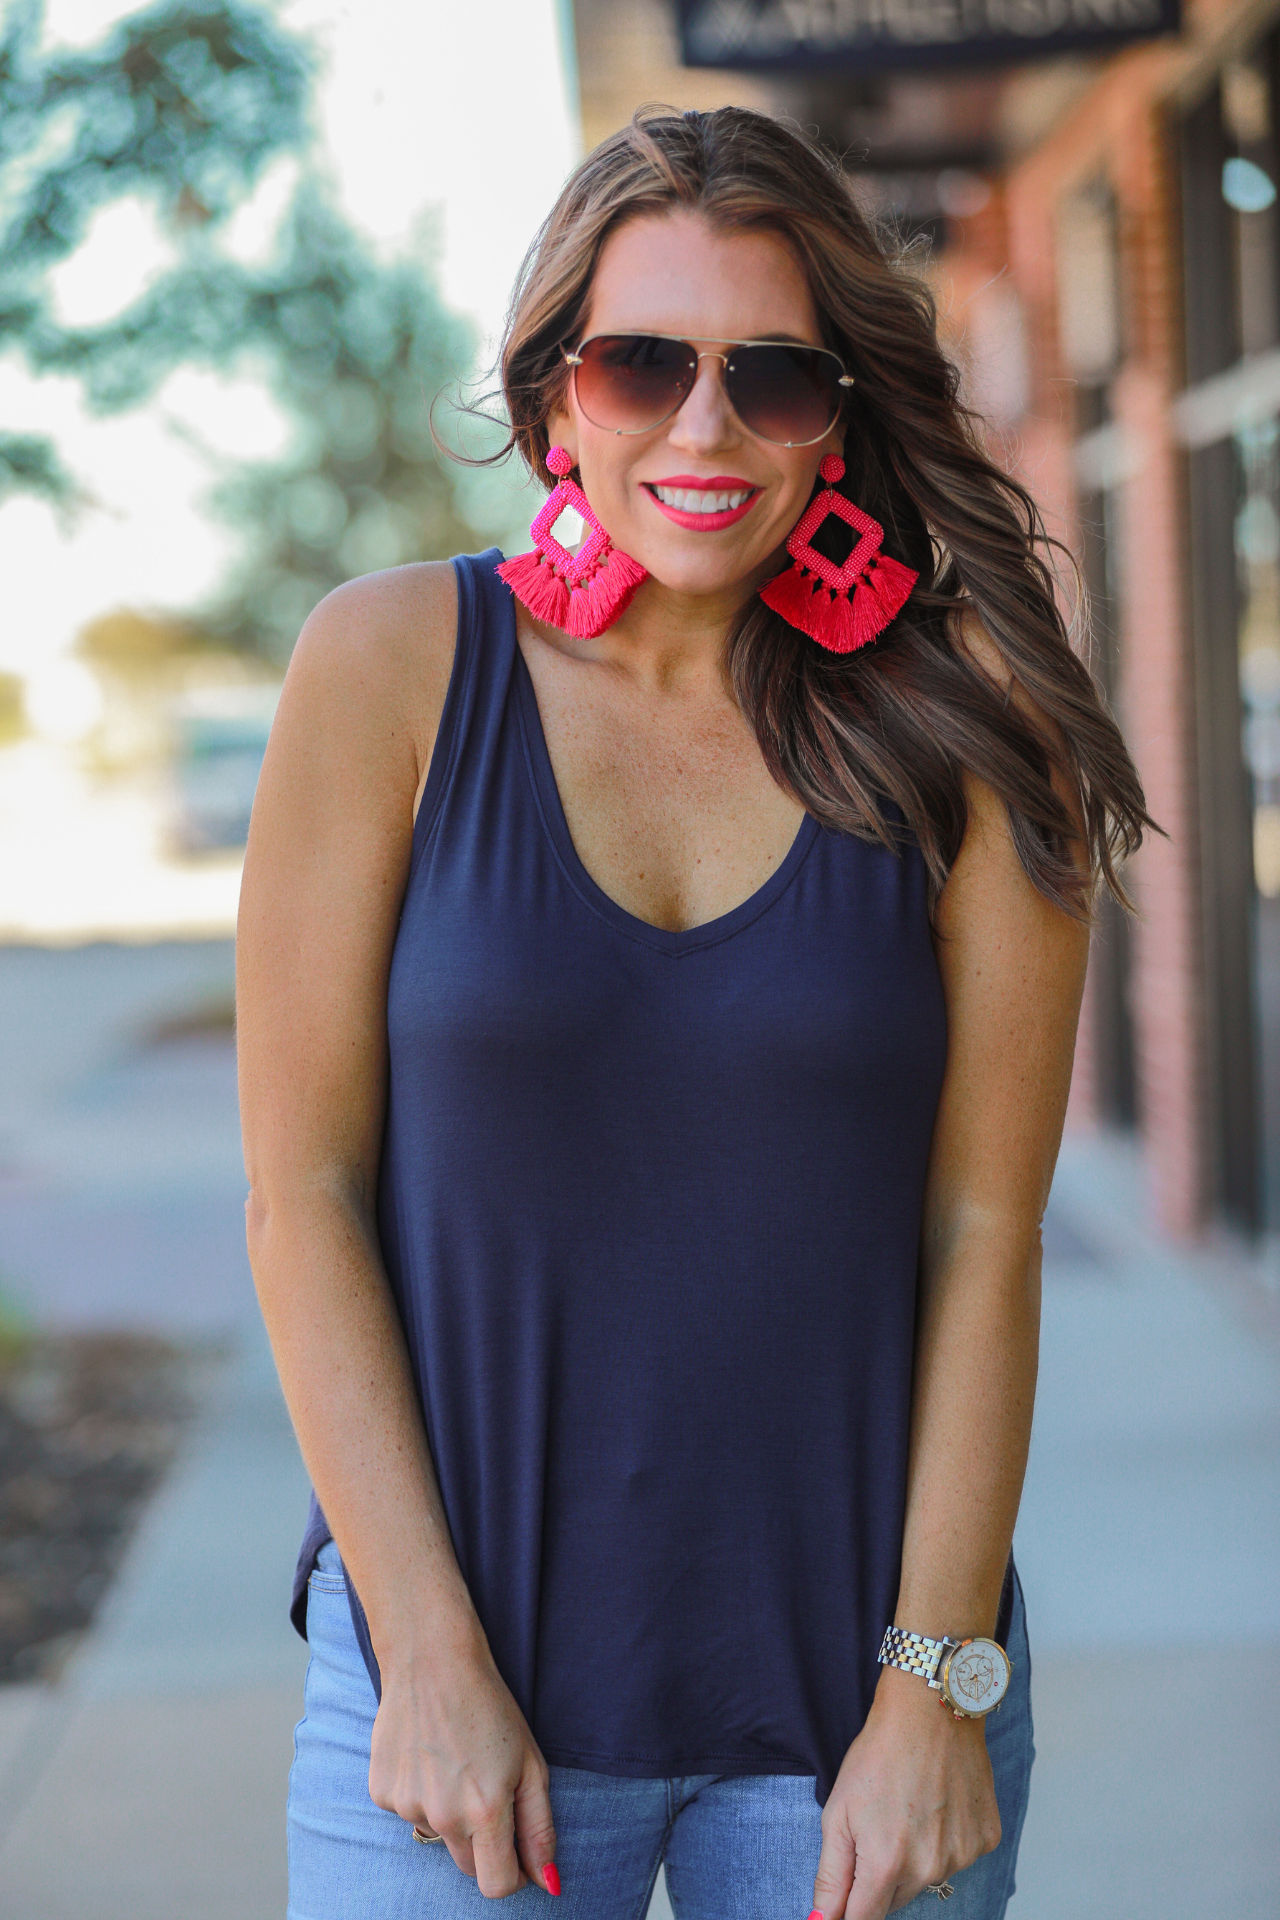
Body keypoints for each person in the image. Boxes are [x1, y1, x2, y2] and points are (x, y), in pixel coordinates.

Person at [237, 106, 1149, 1920]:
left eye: (776, 376)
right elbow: (305, 1195)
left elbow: (986, 1233)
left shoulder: (970, 722)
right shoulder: (392, 668)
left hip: (852, 1722)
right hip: (453, 1704)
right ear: (555, 391)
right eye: (642, 362)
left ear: (845, 412)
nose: (705, 428)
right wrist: (420, 1658)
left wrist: (933, 1688)